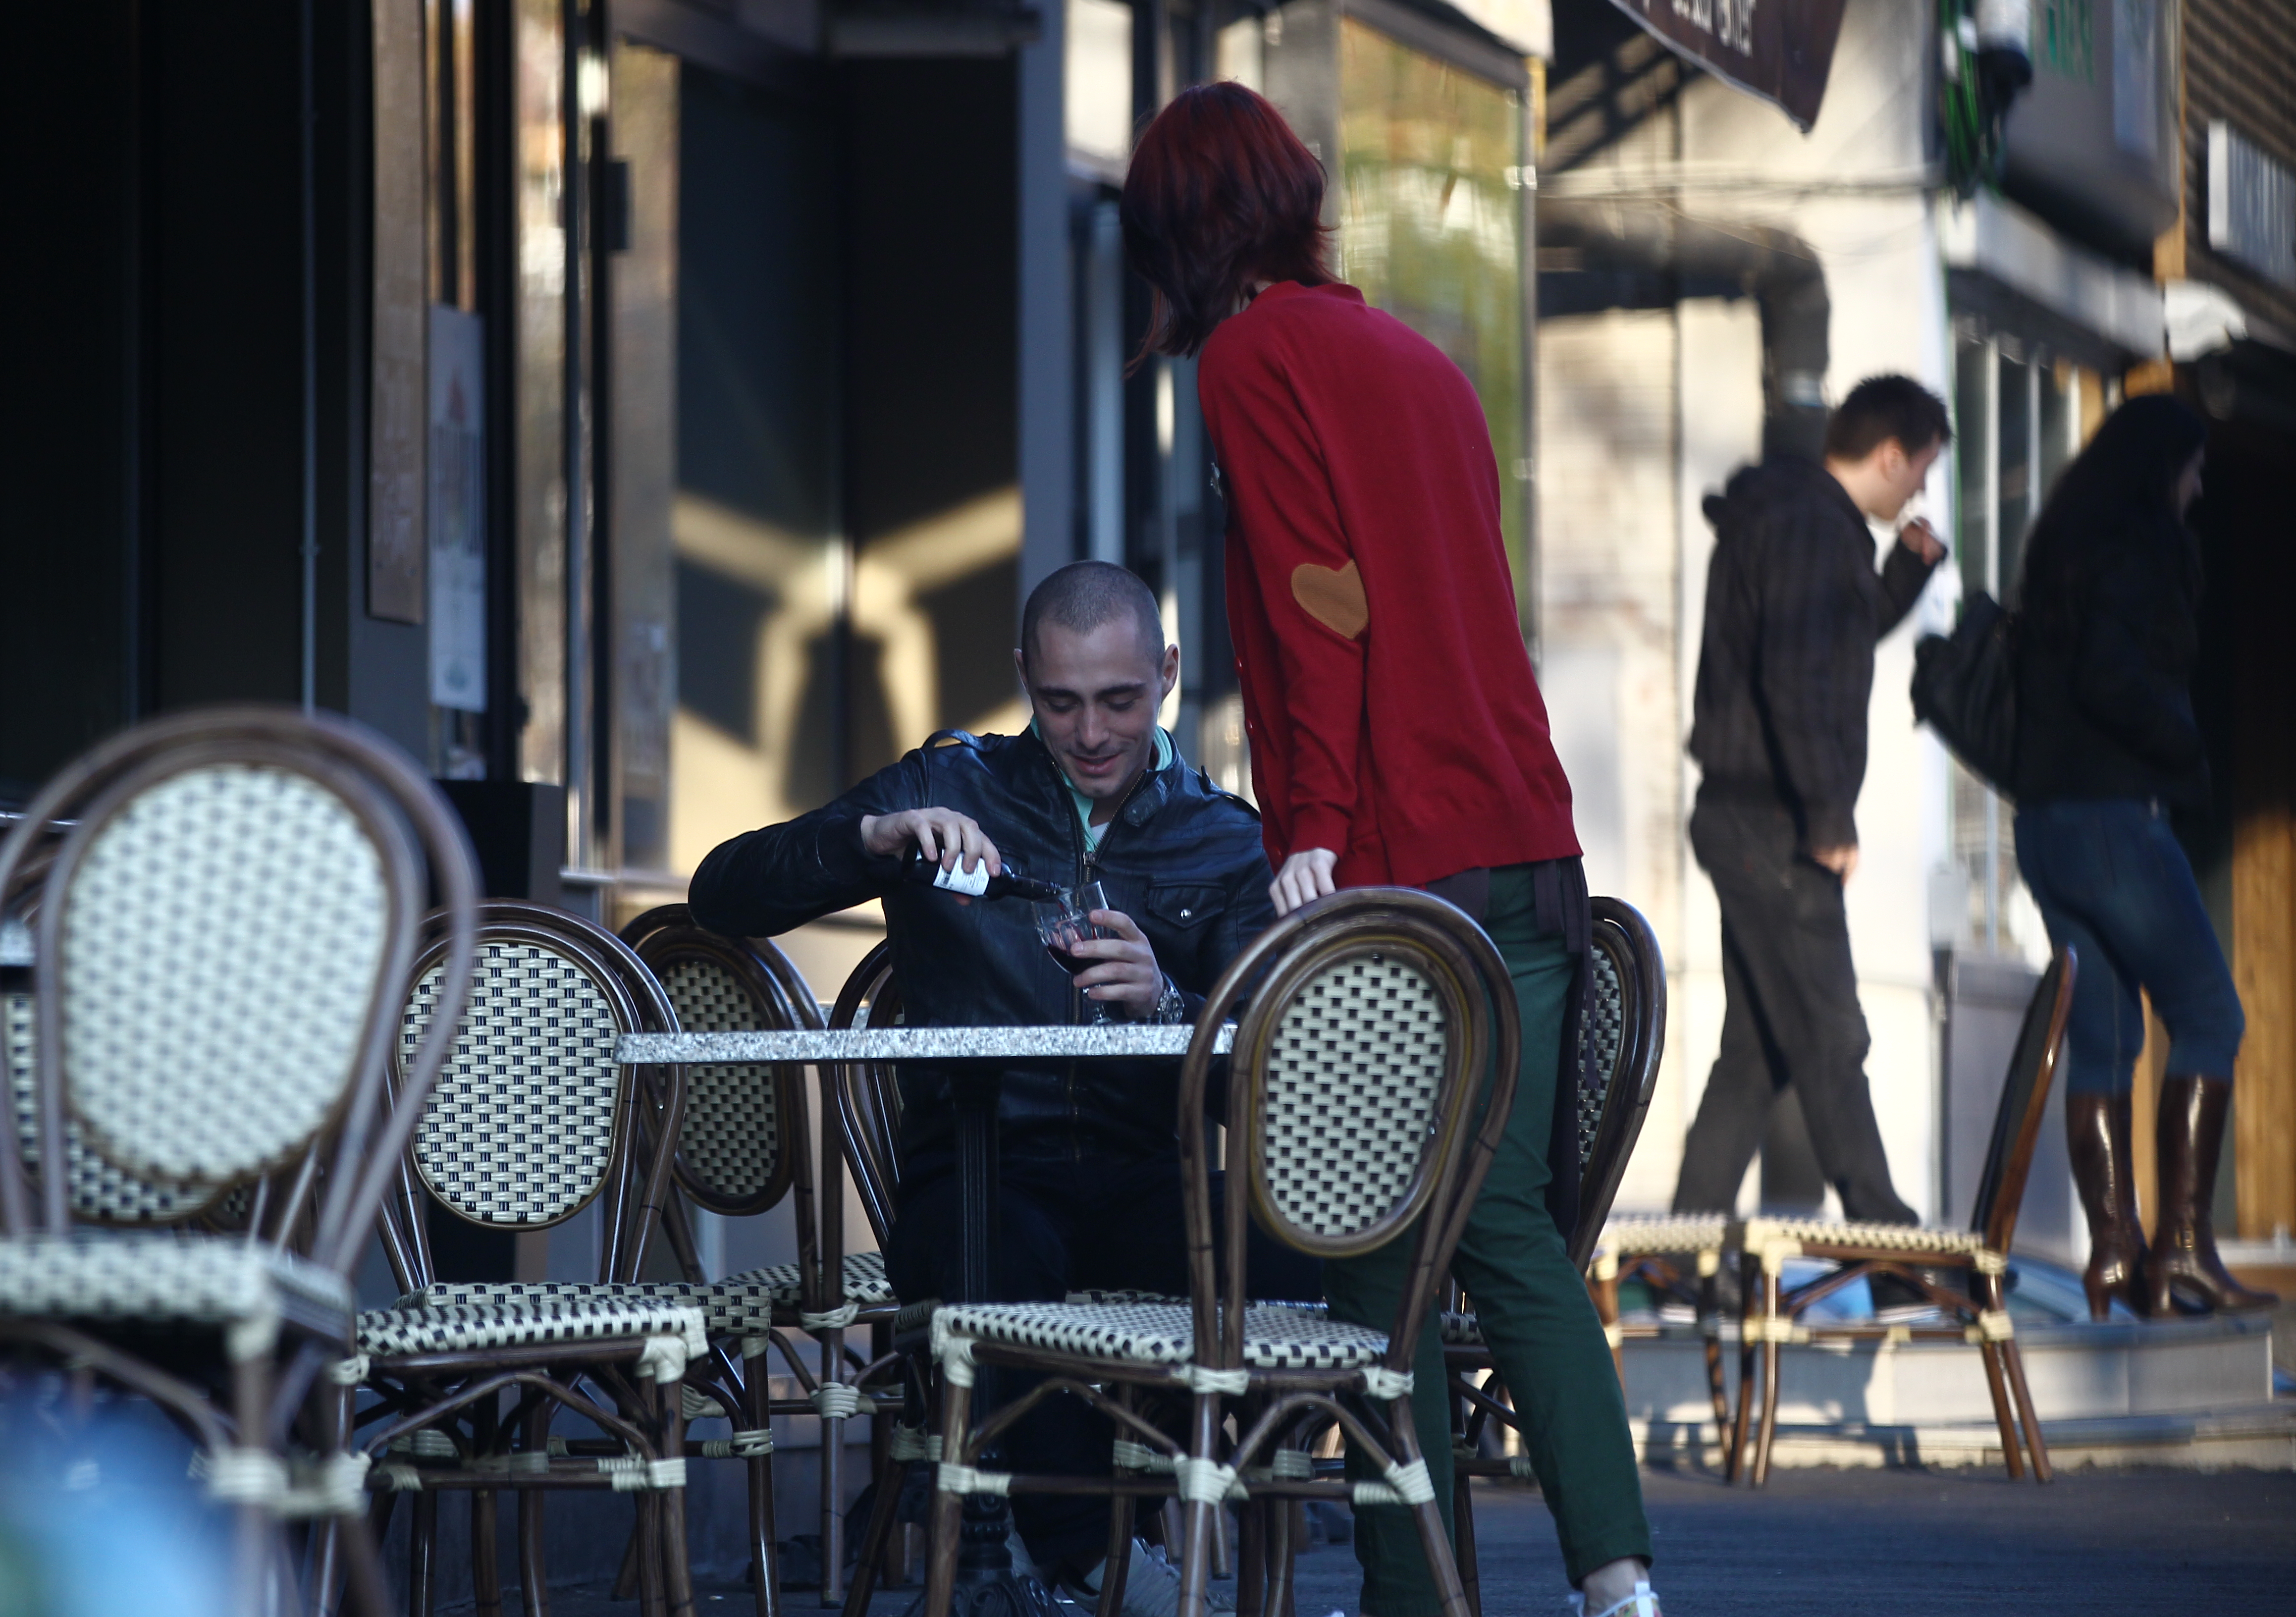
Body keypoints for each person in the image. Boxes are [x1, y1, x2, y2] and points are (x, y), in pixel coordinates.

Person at [1122, 81, 1658, 1617]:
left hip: (1401, 858)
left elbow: (1322, 606)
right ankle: (1608, 1588)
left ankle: (1444, 1599)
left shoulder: (1252, 357)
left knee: (1388, 1238)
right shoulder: (1421, 363)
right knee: (1480, 1235)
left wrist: (1311, 831)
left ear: (1184, 229)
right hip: (1527, 847)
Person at [689, 561, 1272, 1613]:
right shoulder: (950, 786)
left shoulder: (1227, 838)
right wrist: (867, 838)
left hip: (1153, 1179)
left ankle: (1241, 1538)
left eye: (1119, 701)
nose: (1090, 733)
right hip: (983, 1165)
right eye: (1060, 702)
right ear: (1022, 677)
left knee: (1309, 1255)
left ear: (1169, 674)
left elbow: (1264, 1086)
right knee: (992, 1263)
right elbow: (721, 894)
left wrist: (1169, 1006)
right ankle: (1096, 1556)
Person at [2012, 394, 2272, 1318]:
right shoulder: (2142, 548)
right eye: (2194, 469)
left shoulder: (2061, 544)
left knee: (2108, 1040)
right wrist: (2185, 747)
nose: (2200, 487)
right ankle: (2187, 1252)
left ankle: (2117, 1259)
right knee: (2210, 1015)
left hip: (2045, 825)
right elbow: (2112, 678)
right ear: (2163, 466)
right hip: (2113, 821)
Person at [1671, 376, 1951, 1228]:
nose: (1921, 491)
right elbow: (1796, 680)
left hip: (1747, 814)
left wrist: (1905, 572)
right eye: (1923, 469)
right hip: (1774, 823)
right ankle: (1889, 1244)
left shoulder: (1800, 520)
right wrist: (1829, 816)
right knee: (1832, 1032)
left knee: (1757, 1053)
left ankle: (1677, 1255)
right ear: (1891, 456)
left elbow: (1832, 642)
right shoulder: (1811, 528)